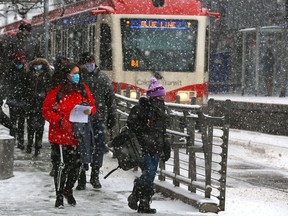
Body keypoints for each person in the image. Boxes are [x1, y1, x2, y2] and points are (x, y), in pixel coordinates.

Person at [42, 62, 96, 208]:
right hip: (60, 135)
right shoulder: (56, 91)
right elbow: (46, 110)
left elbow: (92, 105)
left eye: (78, 73)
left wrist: (89, 111)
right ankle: (59, 195)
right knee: (61, 165)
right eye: (74, 73)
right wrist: (60, 120)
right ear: (66, 75)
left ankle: (68, 189)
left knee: (78, 165)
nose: (77, 76)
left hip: (78, 134)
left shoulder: (83, 89)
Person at [126, 77, 171, 214]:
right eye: (160, 96)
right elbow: (131, 123)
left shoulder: (161, 111)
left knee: (150, 175)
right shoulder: (141, 109)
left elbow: (163, 131)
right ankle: (136, 196)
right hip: (143, 146)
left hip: (156, 146)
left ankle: (143, 202)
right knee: (149, 172)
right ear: (154, 97)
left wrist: (165, 146)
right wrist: (144, 131)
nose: (162, 99)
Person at [75, 52, 117, 190]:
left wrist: (112, 115)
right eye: (87, 62)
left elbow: (110, 99)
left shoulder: (103, 78)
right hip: (81, 119)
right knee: (82, 146)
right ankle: (81, 174)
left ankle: (95, 174)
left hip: (98, 118)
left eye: (91, 62)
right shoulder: (78, 78)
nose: (89, 65)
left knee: (98, 147)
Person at [25, 57, 52, 156]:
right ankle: (29, 144)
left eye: (40, 64)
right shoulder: (29, 74)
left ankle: (37, 147)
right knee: (30, 125)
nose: (38, 67)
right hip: (31, 103)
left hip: (42, 104)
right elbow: (25, 87)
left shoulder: (47, 75)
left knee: (40, 127)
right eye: (36, 64)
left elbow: (48, 88)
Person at [4, 51, 29, 150]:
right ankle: (14, 139)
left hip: (21, 99)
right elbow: (6, 83)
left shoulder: (25, 70)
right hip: (14, 99)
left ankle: (20, 141)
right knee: (13, 122)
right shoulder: (10, 70)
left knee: (21, 122)